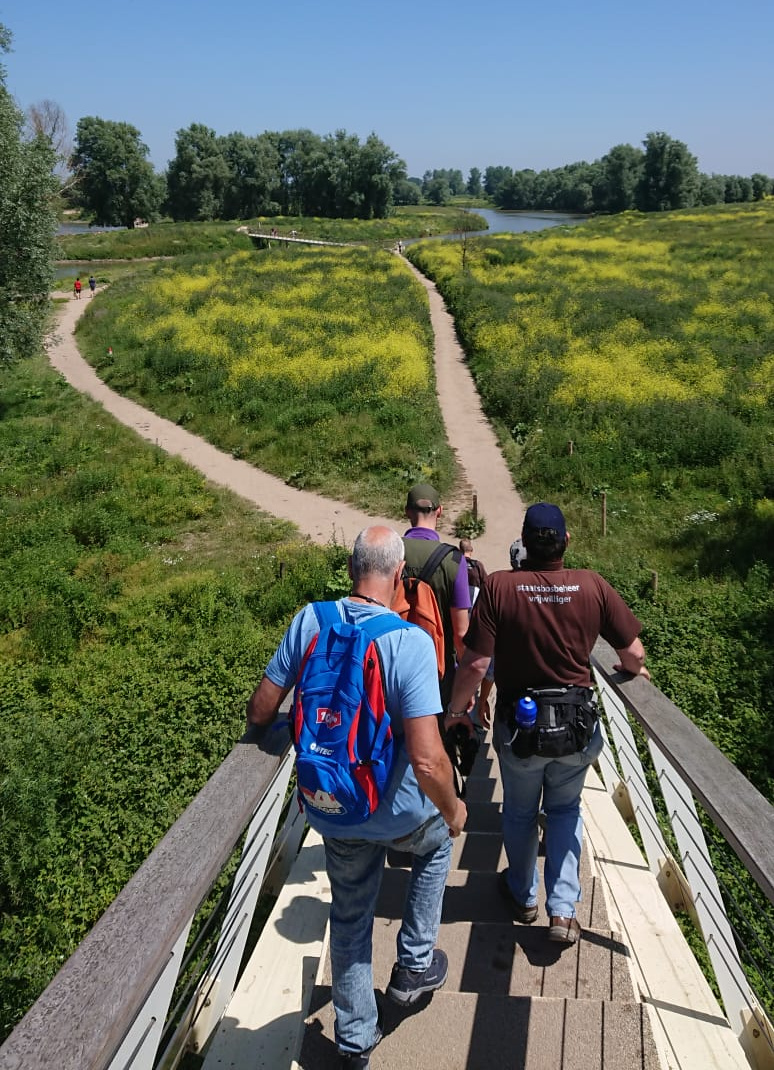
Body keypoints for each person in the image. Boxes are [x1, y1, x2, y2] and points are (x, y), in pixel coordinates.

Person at [247, 526, 466, 1069]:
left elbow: (259, 711)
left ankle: (355, 1040)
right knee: (437, 843)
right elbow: (428, 760)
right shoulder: (409, 642)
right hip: (399, 812)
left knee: (349, 919)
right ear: (399, 578)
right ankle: (413, 966)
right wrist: (456, 809)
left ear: (350, 570)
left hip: (333, 810)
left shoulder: (308, 621)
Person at [445, 502, 649, 945]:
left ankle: (523, 895)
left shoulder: (500, 587)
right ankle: (562, 911)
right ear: (566, 542)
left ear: (523, 540)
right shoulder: (592, 585)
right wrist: (634, 670)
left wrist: (458, 710)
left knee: (518, 812)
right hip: (575, 730)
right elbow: (632, 654)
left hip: (521, 730)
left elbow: (477, 662)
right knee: (564, 811)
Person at [402, 485, 470, 708]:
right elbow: (461, 635)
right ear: (439, 511)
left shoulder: (390, 551)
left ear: (407, 511)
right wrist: (465, 687)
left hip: (392, 664)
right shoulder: (453, 560)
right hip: (438, 671)